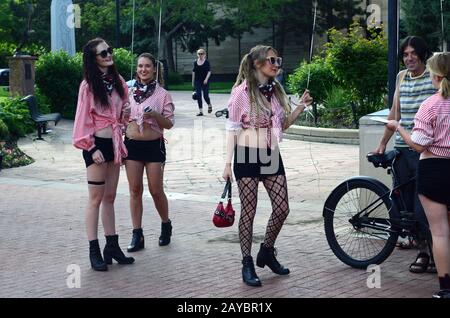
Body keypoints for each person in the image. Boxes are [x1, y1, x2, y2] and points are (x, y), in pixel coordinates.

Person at [222, 45, 313, 287]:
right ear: (257, 64)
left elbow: (282, 125)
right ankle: (247, 262)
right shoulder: (241, 93)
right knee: (249, 212)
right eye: (272, 60)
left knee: (282, 208)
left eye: (278, 59)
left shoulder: (274, 91)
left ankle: (267, 250)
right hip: (247, 155)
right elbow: (231, 130)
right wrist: (227, 164)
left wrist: (301, 106)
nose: (277, 64)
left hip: (270, 154)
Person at [386, 52, 450, 298]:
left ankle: (445, 288)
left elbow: (419, 145)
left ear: (436, 75)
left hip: (434, 169)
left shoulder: (430, 105)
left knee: (440, 232)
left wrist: (398, 127)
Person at [374, 36, 437, 274]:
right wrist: (382, 145)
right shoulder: (401, 77)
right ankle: (422, 251)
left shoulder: (434, 76)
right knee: (408, 205)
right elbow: (394, 113)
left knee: (425, 204)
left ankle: (433, 251)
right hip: (402, 148)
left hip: (425, 150)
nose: (409, 58)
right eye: (405, 54)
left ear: (423, 55)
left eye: (413, 53)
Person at [73, 38, 134, 271]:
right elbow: (82, 120)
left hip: (115, 144)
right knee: (96, 199)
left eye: (109, 50)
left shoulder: (118, 81)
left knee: (110, 197)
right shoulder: (88, 86)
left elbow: (122, 117)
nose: (108, 55)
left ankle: (112, 246)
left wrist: (125, 114)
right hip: (95, 145)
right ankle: (94, 250)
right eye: (103, 53)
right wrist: (91, 148)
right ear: (93, 58)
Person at [124, 53, 174, 252]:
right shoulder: (126, 91)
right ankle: (137, 234)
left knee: (155, 190)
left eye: (147, 66)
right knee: (135, 190)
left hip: (153, 146)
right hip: (132, 145)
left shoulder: (162, 94)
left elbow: (169, 124)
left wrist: (154, 114)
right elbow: (120, 118)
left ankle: (165, 223)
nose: (143, 69)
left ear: (154, 69)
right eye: (140, 66)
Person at [192, 48, 213, 116]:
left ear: (204, 54)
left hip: (205, 81)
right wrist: (193, 82)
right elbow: (194, 72)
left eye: (202, 53)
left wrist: (206, 79)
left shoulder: (206, 62)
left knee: (205, 96)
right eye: (199, 54)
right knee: (198, 96)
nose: (200, 55)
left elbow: (209, 72)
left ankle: (209, 105)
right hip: (197, 81)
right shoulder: (195, 62)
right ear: (197, 54)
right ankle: (201, 111)